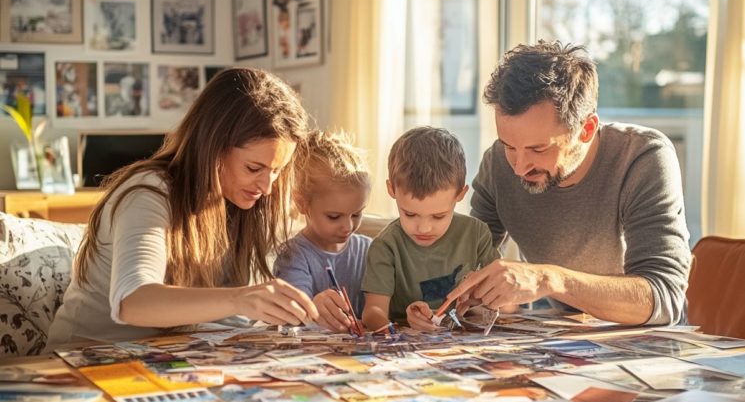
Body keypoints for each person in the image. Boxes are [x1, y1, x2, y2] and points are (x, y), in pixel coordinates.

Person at [48, 67, 319, 347]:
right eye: (254, 168)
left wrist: (313, 304)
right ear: (213, 146)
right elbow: (133, 302)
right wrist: (240, 299)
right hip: (85, 358)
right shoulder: (148, 193)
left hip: (174, 359)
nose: (266, 187)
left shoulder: (244, 201)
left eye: (277, 171)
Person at [447, 41, 691, 326]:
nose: (519, 166)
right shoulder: (498, 164)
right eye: (509, 145)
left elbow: (664, 298)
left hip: (648, 347)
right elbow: (472, 268)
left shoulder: (642, 159)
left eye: (539, 149)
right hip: (563, 342)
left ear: (586, 130)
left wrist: (549, 279)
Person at [361, 127, 499, 332]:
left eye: (438, 216)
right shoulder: (386, 247)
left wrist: (481, 298)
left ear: (460, 194)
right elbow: (373, 312)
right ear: (392, 190)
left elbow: (506, 303)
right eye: (410, 214)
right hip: (408, 346)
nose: (424, 228)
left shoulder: (477, 234)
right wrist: (394, 329)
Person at [273, 131, 372, 332]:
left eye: (356, 214)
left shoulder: (371, 250)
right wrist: (312, 308)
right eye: (334, 217)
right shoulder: (293, 256)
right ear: (302, 204)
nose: (348, 227)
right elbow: (290, 316)